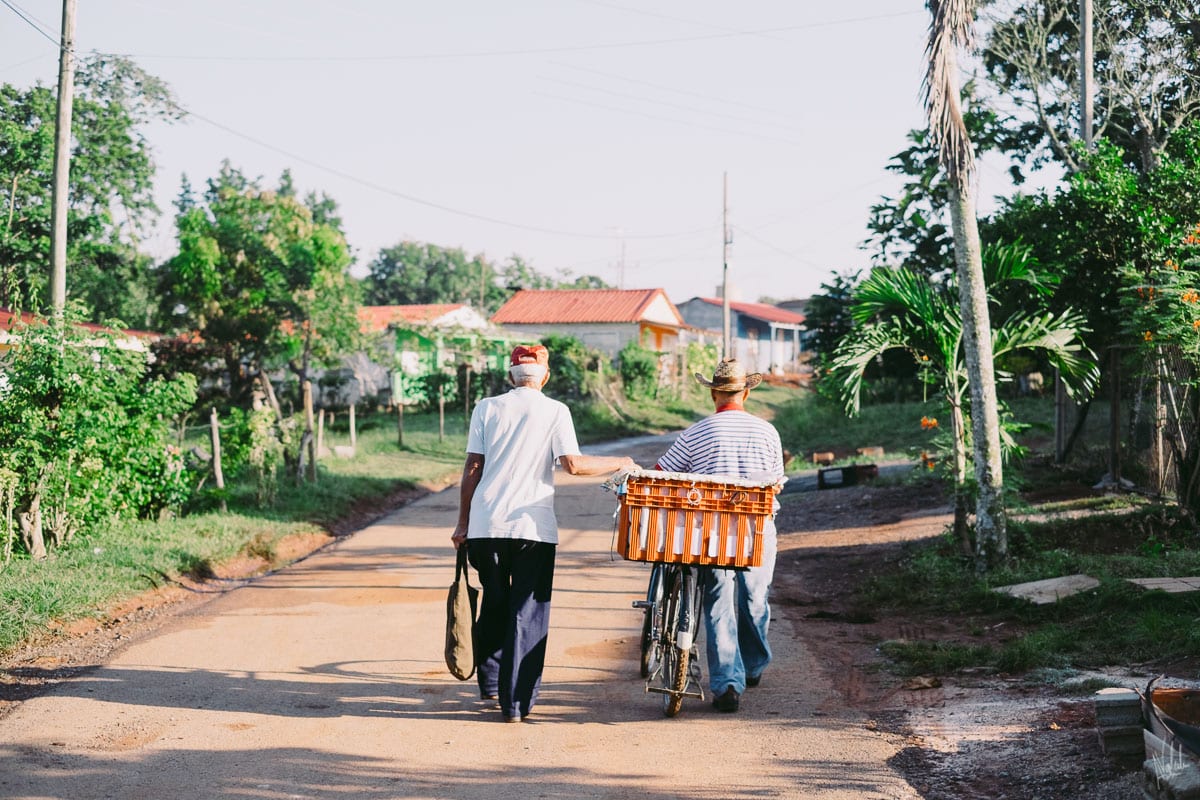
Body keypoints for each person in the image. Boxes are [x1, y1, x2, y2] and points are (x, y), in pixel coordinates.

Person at [451, 343, 636, 723]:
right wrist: (621, 462)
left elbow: (473, 467)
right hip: (532, 528)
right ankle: (515, 703)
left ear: (510, 376)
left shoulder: (486, 408)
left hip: (487, 525)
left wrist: (463, 523)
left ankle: (489, 682)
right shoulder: (555, 411)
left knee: (495, 601)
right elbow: (573, 466)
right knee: (527, 613)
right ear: (545, 376)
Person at [653, 358, 785, 713]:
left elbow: (662, 473)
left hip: (710, 533)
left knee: (719, 602)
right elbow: (775, 484)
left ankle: (728, 680)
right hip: (756, 529)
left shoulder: (696, 433)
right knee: (755, 599)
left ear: (713, 392)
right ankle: (754, 665)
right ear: (746, 392)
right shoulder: (767, 431)